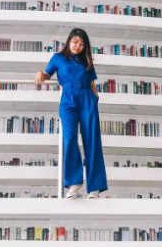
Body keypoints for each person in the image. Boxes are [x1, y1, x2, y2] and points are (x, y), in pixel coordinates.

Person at [35, 28, 108, 198]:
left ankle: (95, 188)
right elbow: (47, 74)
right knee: (69, 138)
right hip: (68, 99)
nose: (78, 46)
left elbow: (91, 83)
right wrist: (41, 73)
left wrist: (95, 98)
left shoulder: (86, 61)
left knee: (92, 140)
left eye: (82, 44)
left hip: (87, 99)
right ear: (68, 41)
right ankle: (74, 183)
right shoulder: (58, 58)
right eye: (75, 42)